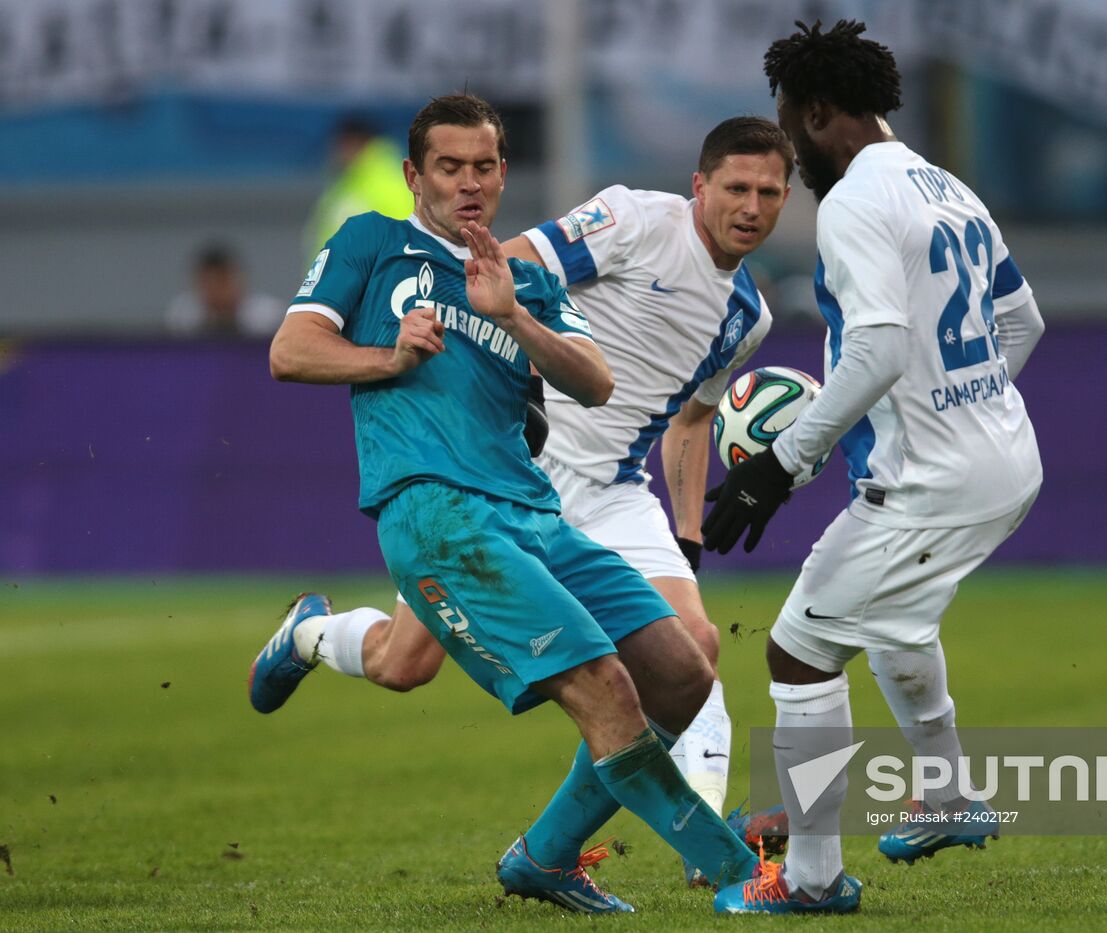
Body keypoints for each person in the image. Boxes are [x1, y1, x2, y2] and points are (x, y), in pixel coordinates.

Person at [250, 116, 796, 883]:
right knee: (406, 663)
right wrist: (474, 364)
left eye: (769, 192)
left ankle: (623, 848)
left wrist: (685, 532)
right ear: (700, 186)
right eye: (737, 187)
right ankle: (311, 634)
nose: (751, 205)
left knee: (691, 650)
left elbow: (695, 418)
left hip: (607, 487)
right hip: (516, 463)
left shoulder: (749, 316)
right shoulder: (636, 219)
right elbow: (496, 260)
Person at [704, 21, 1045, 914]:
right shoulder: (949, 186)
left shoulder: (855, 199)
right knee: (894, 621)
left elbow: (880, 351)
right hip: (1006, 457)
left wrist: (777, 465)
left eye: (789, 122)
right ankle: (949, 796)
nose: (790, 149)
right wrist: (967, 403)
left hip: (936, 481)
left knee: (801, 649)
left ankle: (812, 879)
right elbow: (1024, 322)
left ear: (818, 112)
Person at [302, 116, 415, 263]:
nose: (336, 153)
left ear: (356, 142)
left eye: (341, 145)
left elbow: (405, 242)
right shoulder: (346, 184)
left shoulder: (391, 185)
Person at [164, 243, 283, 338]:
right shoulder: (182, 317)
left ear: (239, 280)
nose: (216, 290)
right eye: (208, 283)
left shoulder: (269, 316)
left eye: (222, 281)